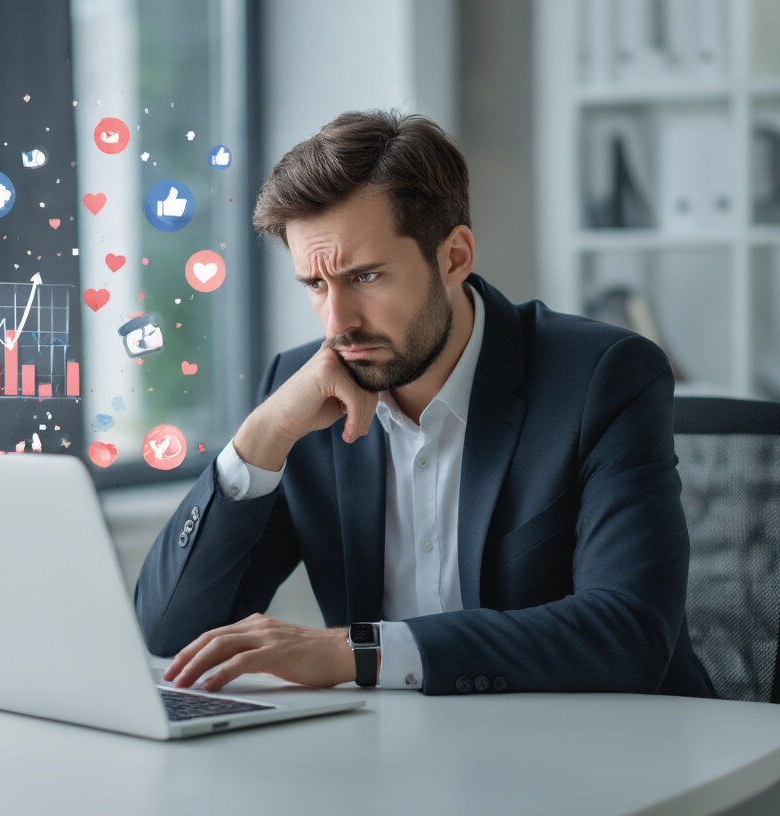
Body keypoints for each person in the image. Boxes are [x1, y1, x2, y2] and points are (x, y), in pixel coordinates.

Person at [134, 109, 716, 699]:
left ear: (455, 257)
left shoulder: (602, 376)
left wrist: (354, 653)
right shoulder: (299, 389)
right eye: (315, 285)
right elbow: (170, 634)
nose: (338, 324)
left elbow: (629, 635)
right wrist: (256, 441)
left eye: (365, 277)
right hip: (400, 757)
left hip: (604, 755)